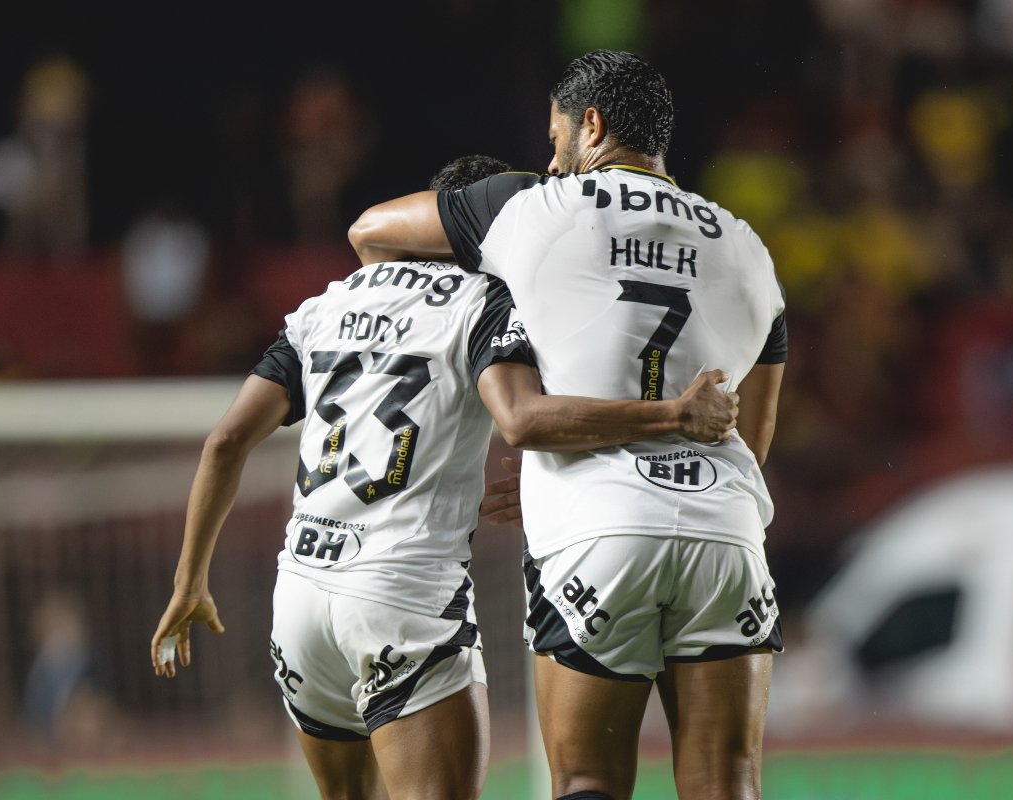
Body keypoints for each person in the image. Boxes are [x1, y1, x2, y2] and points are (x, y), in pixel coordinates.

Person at [151, 154, 741, 800]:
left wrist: (190, 582)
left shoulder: (327, 303)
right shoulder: (483, 301)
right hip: (401, 596)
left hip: (300, 599)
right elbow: (520, 417)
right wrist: (672, 416)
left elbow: (226, 440)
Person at [348, 51, 787, 800]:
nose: (552, 161)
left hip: (595, 530)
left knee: (586, 778)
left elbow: (372, 234)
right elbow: (760, 430)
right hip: (726, 529)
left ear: (592, 125)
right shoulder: (749, 249)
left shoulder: (532, 207)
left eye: (555, 139)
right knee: (726, 779)